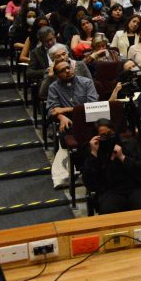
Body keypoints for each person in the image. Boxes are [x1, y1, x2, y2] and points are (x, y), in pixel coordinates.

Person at [81, 118, 141, 214]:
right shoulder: (94, 151)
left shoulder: (130, 144)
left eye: (111, 133)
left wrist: (123, 157)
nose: (109, 137)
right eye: (103, 136)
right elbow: (89, 182)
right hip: (110, 191)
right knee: (108, 209)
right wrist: (94, 154)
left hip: (135, 187)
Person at [47, 59, 100, 188]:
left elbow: (92, 105)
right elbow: (52, 110)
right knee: (69, 134)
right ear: (57, 75)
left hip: (91, 120)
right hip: (71, 123)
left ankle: (92, 168)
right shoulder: (54, 87)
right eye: (62, 70)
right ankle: (82, 169)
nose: (67, 71)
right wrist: (61, 117)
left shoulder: (86, 82)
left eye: (68, 67)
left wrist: (65, 110)